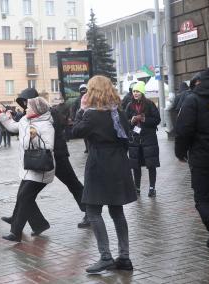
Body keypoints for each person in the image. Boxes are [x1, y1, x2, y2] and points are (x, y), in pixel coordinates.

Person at [72, 75, 137, 273]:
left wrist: (81, 110)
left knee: (92, 211)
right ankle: (124, 257)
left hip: (99, 164)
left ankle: (106, 257)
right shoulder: (118, 112)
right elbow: (127, 138)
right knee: (117, 211)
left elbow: (75, 132)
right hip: (119, 164)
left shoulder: (91, 114)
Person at [1, 87, 89, 229]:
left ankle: (90, 213)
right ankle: (22, 219)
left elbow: (49, 128)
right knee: (25, 190)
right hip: (39, 159)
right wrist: (11, 117)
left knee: (72, 184)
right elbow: (18, 128)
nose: (24, 106)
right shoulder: (31, 113)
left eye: (26, 102)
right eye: (22, 103)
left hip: (56, 157)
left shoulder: (49, 112)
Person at [175, 64, 209, 261]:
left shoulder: (194, 99)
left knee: (203, 200)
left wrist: (180, 152)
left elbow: (183, 130)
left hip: (203, 160)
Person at [0, 97, 55, 242]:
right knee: (24, 197)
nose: (26, 109)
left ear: (36, 110)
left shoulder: (46, 125)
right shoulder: (24, 121)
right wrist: (0, 115)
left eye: (28, 107)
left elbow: (48, 147)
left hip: (41, 169)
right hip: (28, 167)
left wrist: (34, 137)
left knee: (24, 198)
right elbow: (11, 127)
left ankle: (16, 232)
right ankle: (40, 224)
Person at [125, 81, 161, 197]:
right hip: (135, 140)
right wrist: (132, 121)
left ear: (142, 92)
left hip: (149, 139)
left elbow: (157, 120)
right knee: (136, 165)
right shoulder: (129, 105)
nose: (135, 93)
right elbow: (125, 122)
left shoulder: (150, 104)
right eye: (134, 91)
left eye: (138, 91)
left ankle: (152, 188)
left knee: (151, 164)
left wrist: (145, 120)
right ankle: (137, 188)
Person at [71, 83, 89, 153]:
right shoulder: (78, 99)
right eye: (82, 90)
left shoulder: (90, 97)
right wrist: (73, 117)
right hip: (82, 117)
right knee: (85, 134)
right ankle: (87, 148)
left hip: (88, 116)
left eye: (84, 90)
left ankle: (89, 147)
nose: (83, 91)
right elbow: (73, 108)